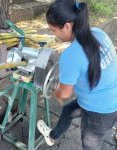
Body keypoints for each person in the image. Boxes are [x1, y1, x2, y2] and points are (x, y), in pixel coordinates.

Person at [37, 0, 117, 150]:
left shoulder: (70, 55)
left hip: (98, 112)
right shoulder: (98, 33)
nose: (55, 35)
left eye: (54, 30)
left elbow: (65, 92)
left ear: (67, 26)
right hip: (112, 97)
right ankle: (52, 137)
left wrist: (56, 93)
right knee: (68, 111)